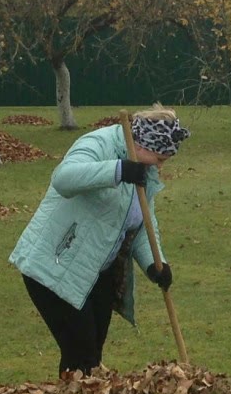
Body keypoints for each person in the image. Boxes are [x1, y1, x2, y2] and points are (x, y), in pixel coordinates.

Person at [11, 106, 187, 374]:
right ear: (143, 144)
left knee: (89, 354)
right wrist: (117, 171)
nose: (161, 167)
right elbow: (63, 178)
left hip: (97, 271)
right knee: (81, 354)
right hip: (55, 266)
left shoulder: (144, 171)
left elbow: (142, 223)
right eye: (160, 159)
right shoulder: (99, 144)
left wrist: (156, 264)